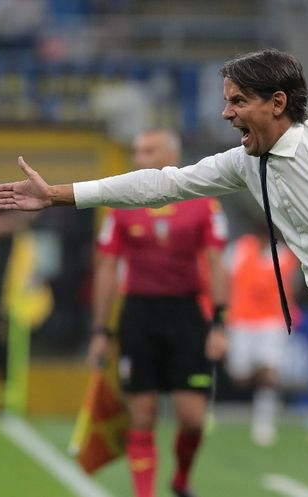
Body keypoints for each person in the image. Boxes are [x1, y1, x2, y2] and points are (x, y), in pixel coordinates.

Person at [0, 49, 308, 497]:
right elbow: (163, 184)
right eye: (227, 101)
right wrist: (59, 195)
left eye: (238, 101)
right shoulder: (247, 160)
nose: (226, 113)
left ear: (278, 102)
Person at [86, 129, 229, 497]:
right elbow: (106, 268)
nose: (138, 158)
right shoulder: (120, 203)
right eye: (136, 150)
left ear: (171, 154)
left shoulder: (202, 202)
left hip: (186, 314)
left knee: (193, 420)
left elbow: (216, 262)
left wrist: (219, 322)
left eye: (147, 150)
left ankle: (181, 479)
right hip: (140, 315)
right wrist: (101, 331)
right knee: (143, 413)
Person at [225, 226, 302, 447]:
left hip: (273, 320)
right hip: (241, 321)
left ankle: (264, 423)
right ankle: (258, 380)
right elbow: (224, 276)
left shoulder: (286, 255)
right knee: (238, 376)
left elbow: (294, 286)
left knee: (270, 371)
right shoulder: (239, 249)